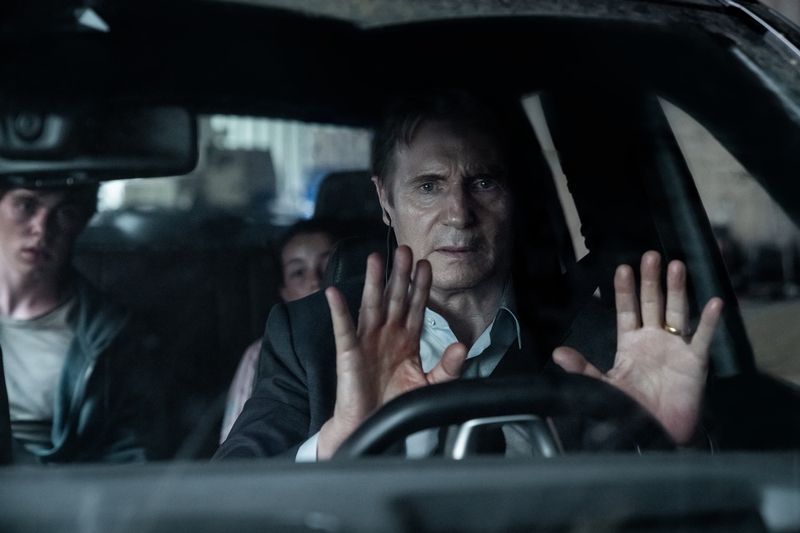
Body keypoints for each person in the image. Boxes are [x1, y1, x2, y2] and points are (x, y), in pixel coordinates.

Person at [214, 92, 723, 461]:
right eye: (429, 187)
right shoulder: (309, 339)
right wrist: (337, 439)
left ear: (514, 195)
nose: (459, 214)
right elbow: (227, 498)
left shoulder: (607, 346)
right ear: (385, 200)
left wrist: (680, 446)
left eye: (483, 182)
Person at [0, 180, 165, 463]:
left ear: (82, 223)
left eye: (65, 213)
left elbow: (133, 453)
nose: (41, 229)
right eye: (26, 206)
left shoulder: (111, 333)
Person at [219, 219, 335, 442]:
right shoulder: (260, 355)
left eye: (329, 264)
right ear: (285, 292)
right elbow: (235, 448)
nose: (315, 280)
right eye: (298, 272)